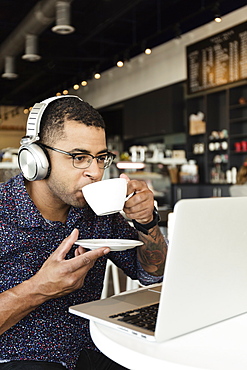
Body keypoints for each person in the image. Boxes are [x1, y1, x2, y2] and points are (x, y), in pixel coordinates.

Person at [0, 95, 167, 370]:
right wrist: (38, 290)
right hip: (19, 358)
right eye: (79, 157)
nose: (95, 172)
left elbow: (153, 274)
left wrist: (147, 222)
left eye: (101, 158)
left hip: (92, 348)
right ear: (36, 158)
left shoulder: (97, 210)